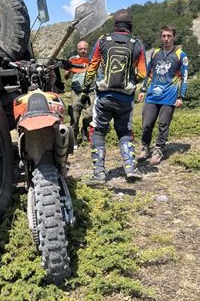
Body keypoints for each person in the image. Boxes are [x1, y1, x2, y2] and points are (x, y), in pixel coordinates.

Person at [80, 9, 147, 182]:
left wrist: (85, 90)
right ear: (130, 26)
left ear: (115, 25)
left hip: (104, 96)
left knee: (98, 130)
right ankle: (131, 168)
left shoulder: (103, 40)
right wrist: (130, 78)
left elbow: (92, 67)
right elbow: (142, 73)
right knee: (125, 131)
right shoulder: (137, 44)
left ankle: (99, 174)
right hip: (125, 97)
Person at [137, 25, 188, 165]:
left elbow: (184, 76)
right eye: (164, 36)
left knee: (163, 124)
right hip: (152, 94)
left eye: (169, 36)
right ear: (161, 37)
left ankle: (158, 150)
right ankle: (145, 147)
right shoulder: (155, 53)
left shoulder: (180, 55)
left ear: (174, 37)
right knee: (147, 123)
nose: (166, 39)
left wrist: (181, 96)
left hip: (169, 95)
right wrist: (143, 90)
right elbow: (149, 73)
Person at [64, 40, 93, 147]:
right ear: (78, 49)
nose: (83, 50)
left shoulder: (92, 59)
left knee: (90, 115)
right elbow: (66, 76)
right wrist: (69, 68)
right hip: (76, 91)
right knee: (74, 116)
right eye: (80, 48)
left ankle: (85, 131)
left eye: (84, 48)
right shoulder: (73, 59)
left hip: (91, 90)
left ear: (87, 49)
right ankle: (74, 139)